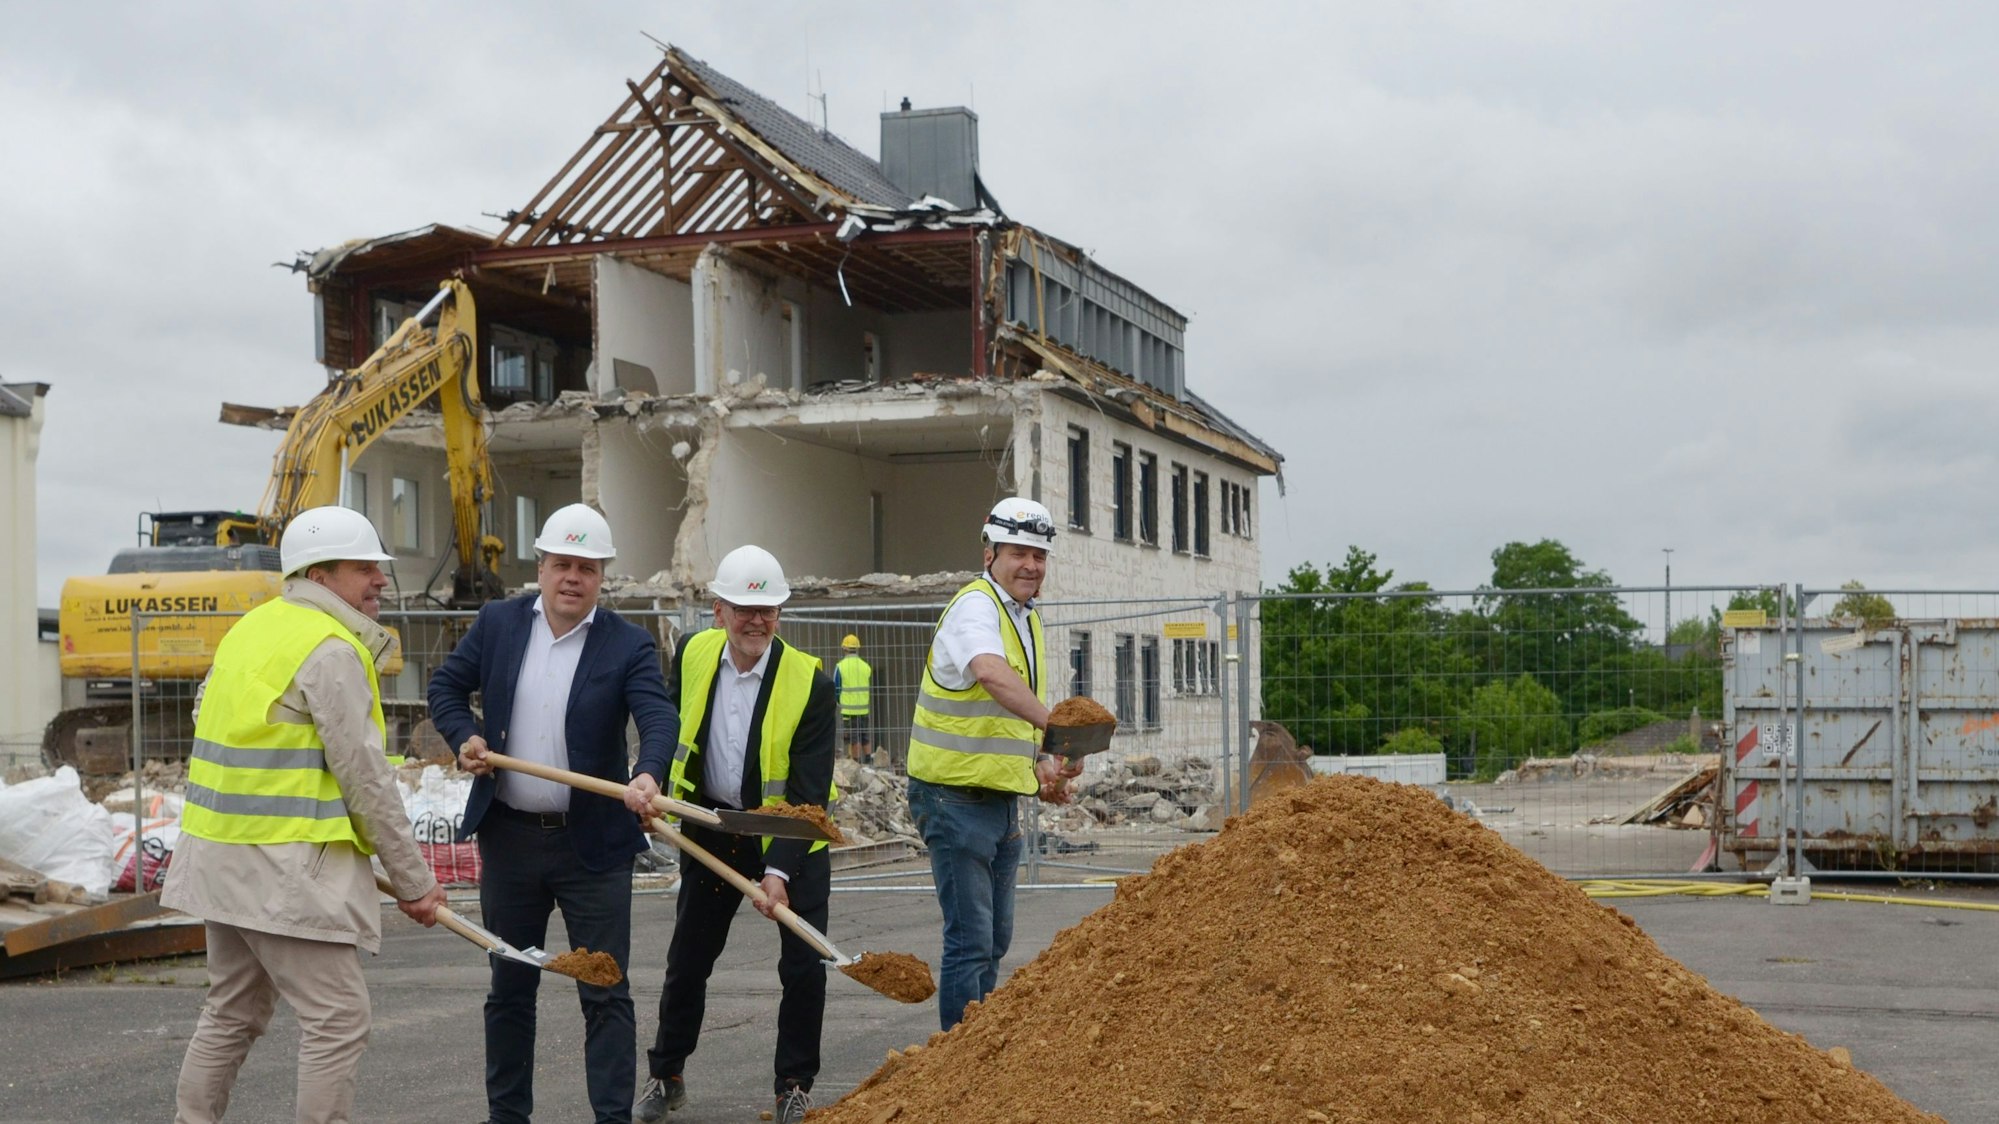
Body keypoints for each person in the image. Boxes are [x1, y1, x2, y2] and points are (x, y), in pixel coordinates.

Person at [164, 505, 447, 1124]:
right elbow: (366, 779)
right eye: (363, 567)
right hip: (284, 868)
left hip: (221, 857)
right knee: (338, 1020)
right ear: (320, 576)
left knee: (231, 1011)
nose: (380, 580)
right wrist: (414, 882)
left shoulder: (252, 631)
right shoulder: (329, 649)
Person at [427, 503, 678, 1124]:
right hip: (509, 841)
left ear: (601, 577)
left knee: (605, 989)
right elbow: (445, 688)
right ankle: (507, 1117)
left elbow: (657, 715)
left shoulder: (628, 643)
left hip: (592, 846)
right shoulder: (499, 623)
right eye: (561, 564)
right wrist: (467, 735)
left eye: (586, 568)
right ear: (540, 567)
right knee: (511, 989)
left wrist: (648, 772)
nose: (573, 577)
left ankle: (611, 1118)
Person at [625, 545, 838, 1124]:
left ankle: (793, 1084)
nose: (757, 620)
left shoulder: (810, 683)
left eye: (768, 608)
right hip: (713, 828)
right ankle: (665, 1074)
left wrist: (778, 873)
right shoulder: (694, 654)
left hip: (789, 837)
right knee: (688, 961)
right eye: (744, 607)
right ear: (718, 609)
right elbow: (669, 729)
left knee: (802, 967)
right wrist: (653, 785)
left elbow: (809, 793)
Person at [906, 497, 1082, 1031]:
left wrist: (1041, 768)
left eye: (1040, 555)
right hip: (953, 799)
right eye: (1019, 552)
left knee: (995, 939)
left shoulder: (1025, 618)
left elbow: (1003, 721)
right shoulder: (976, 607)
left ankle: (974, 1054)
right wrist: (1057, 730)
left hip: (998, 800)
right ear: (990, 553)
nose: (1031, 565)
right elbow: (990, 674)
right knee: (971, 940)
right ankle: (957, 1065)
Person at [832, 633, 874, 763]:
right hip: (863, 708)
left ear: (844, 648)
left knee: (853, 737)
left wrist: (839, 701)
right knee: (864, 735)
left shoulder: (841, 666)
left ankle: (855, 762)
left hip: (849, 710)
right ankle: (868, 759)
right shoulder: (865, 666)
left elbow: (836, 687)